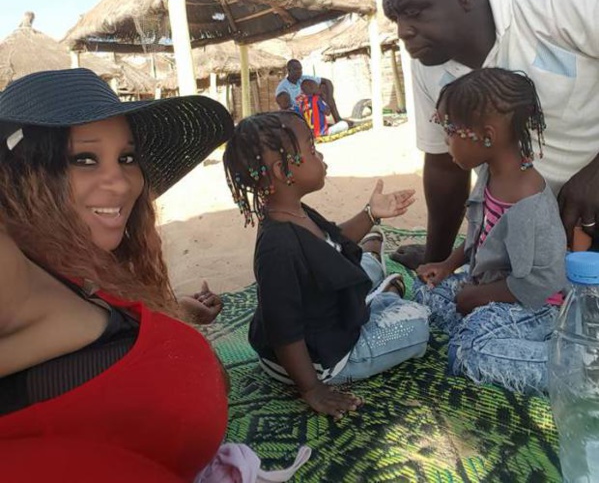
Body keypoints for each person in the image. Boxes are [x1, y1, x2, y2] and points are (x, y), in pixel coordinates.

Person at [0, 68, 234, 482]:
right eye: (83, 159)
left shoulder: (78, 264)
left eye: (126, 158)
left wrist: (170, 312)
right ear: (21, 175)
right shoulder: (12, 265)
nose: (122, 182)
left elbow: (81, 327)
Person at [381, 0, 599, 269]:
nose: (402, 31)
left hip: (586, 214)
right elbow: (444, 167)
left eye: (413, 12)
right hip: (521, 236)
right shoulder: (428, 66)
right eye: (395, 18)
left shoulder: (559, 5)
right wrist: (436, 260)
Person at [222, 111, 429, 418]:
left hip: (324, 319)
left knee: (360, 263)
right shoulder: (277, 247)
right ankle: (385, 290)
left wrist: (371, 214)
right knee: (419, 322)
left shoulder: (293, 211)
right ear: (282, 170)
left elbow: (333, 239)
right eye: (311, 149)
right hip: (320, 362)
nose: (320, 155)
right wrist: (312, 389)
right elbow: (283, 329)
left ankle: (379, 281)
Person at [413, 68, 567, 393]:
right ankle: (481, 326)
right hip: (487, 288)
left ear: (487, 135)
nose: (445, 140)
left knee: (469, 351)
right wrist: (446, 267)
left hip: (535, 307)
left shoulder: (529, 202)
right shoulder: (488, 173)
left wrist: (479, 297)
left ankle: (575, 367)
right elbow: (476, 238)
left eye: (451, 130)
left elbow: (542, 282)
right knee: (425, 296)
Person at [275, 59, 343, 123]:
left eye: (300, 69)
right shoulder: (282, 87)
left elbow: (327, 81)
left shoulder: (303, 78)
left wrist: (330, 98)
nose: (299, 71)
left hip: (311, 108)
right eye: (296, 69)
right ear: (289, 70)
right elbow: (283, 105)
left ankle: (337, 119)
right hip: (296, 113)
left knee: (324, 87)